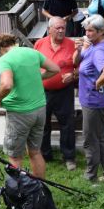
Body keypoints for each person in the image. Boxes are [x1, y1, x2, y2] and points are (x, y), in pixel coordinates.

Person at [0, 34, 60, 179]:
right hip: (40, 109)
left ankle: (17, 193)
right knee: (35, 152)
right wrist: (37, 76)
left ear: (0, 48)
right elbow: (55, 69)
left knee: (15, 157)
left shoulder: (5, 59)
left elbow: (6, 84)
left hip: (20, 113)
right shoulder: (32, 52)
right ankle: (39, 189)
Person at [73, 14, 104, 182]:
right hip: (94, 100)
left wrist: (97, 84)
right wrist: (79, 50)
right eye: (86, 29)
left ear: (101, 31)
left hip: (94, 102)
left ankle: (91, 176)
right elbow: (77, 62)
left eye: (91, 30)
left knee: (90, 140)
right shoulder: (93, 44)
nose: (87, 33)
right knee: (100, 137)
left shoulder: (99, 50)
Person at [34, 17, 77, 171]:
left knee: (67, 125)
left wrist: (74, 74)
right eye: (57, 28)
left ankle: (69, 157)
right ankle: (45, 155)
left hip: (64, 92)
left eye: (63, 28)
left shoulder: (71, 45)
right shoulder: (40, 43)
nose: (61, 31)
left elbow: (80, 66)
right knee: (42, 124)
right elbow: (33, 63)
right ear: (49, 29)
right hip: (42, 91)